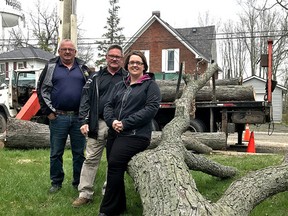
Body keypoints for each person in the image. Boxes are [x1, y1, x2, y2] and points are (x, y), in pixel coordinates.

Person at [99, 50, 161, 216]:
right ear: (126, 66)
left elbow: (150, 110)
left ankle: (107, 210)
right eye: (132, 62)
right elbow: (108, 106)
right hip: (115, 132)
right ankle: (119, 206)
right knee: (115, 166)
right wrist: (112, 121)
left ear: (144, 67)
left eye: (138, 63)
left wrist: (125, 124)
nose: (135, 65)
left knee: (114, 165)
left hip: (137, 134)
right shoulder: (120, 85)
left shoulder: (150, 85)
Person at [72, 44, 128, 207]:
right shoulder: (95, 77)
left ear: (122, 59)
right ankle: (85, 193)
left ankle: (108, 192)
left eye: (117, 56)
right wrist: (83, 121)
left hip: (118, 125)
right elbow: (85, 99)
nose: (114, 59)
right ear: (106, 57)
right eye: (111, 56)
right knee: (90, 159)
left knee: (114, 160)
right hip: (97, 123)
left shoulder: (127, 78)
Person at [37, 39, 91, 193]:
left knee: (79, 153)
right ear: (59, 51)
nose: (67, 52)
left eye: (70, 49)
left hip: (79, 119)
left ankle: (78, 182)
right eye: (64, 49)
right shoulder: (51, 67)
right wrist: (49, 112)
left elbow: (90, 91)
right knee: (56, 153)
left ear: (75, 52)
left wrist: (86, 116)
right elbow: (41, 89)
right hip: (58, 117)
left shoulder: (83, 68)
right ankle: (56, 182)